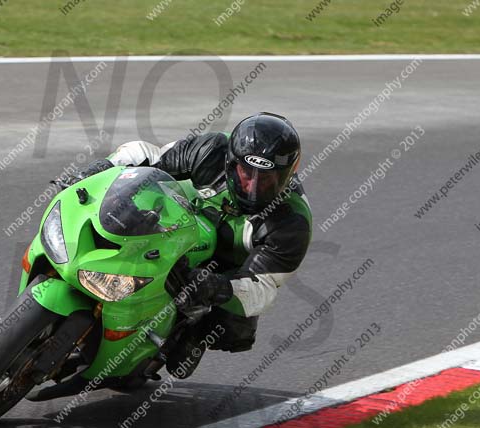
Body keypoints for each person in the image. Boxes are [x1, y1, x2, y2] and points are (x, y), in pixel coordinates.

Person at [66, 112, 312, 378]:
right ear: (231, 162)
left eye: (265, 179)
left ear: (286, 176)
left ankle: (192, 333)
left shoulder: (291, 223)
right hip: (172, 222)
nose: (252, 186)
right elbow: (145, 156)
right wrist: (100, 169)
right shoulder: (210, 150)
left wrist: (216, 287)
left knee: (221, 332)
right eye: (245, 173)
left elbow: (263, 287)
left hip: (222, 267)